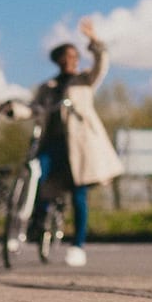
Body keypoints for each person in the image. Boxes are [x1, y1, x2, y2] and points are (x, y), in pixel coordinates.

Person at [28, 17, 123, 267]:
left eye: (75, 55)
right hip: (53, 145)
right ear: (58, 60)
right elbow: (33, 109)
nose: (72, 59)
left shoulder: (84, 80)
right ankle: (38, 218)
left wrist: (94, 40)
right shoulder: (47, 87)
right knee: (36, 174)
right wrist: (14, 110)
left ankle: (78, 246)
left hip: (80, 147)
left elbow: (102, 63)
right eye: (67, 56)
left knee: (79, 195)